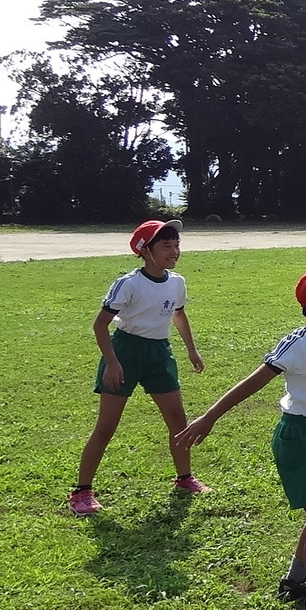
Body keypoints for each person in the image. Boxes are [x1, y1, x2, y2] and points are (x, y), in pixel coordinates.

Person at [174, 268, 306, 610]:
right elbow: (252, 383)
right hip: (299, 436)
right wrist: (209, 416)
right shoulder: (298, 344)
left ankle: (296, 581)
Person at [69, 218, 206, 517]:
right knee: (106, 427)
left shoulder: (177, 282)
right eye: (166, 246)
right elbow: (100, 325)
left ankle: (185, 478)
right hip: (126, 351)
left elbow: (179, 316)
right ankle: (81, 491)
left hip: (159, 352)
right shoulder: (129, 283)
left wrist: (191, 350)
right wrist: (113, 362)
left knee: (177, 419)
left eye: (177, 245)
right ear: (145, 250)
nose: (174, 251)